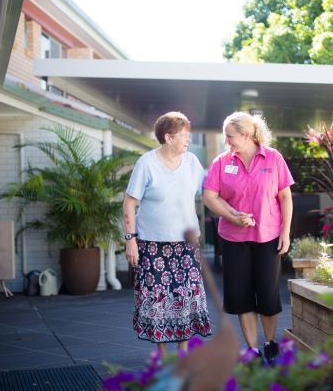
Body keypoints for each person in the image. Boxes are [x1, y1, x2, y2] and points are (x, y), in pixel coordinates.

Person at [202, 111, 294, 364]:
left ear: (246, 135)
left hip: (268, 235)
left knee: (267, 293)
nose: (226, 141)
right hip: (234, 238)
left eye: (230, 137)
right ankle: (252, 349)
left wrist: (285, 232)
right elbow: (209, 196)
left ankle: (270, 341)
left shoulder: (273, 158)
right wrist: (232, 216)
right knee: (241, 295)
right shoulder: (222, 162)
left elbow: (285, 197)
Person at [123, 111, 212, 355]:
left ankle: (183, 354)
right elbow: (129, 203)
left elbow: (210, 192)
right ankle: (163, 355)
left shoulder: (193, 162)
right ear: (168, 137)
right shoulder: (147, 163)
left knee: (185, 295)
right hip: (153, 244)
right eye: (184, 135)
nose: (188, 140)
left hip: (186, 244)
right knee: (158, 299)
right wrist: (130, 241)